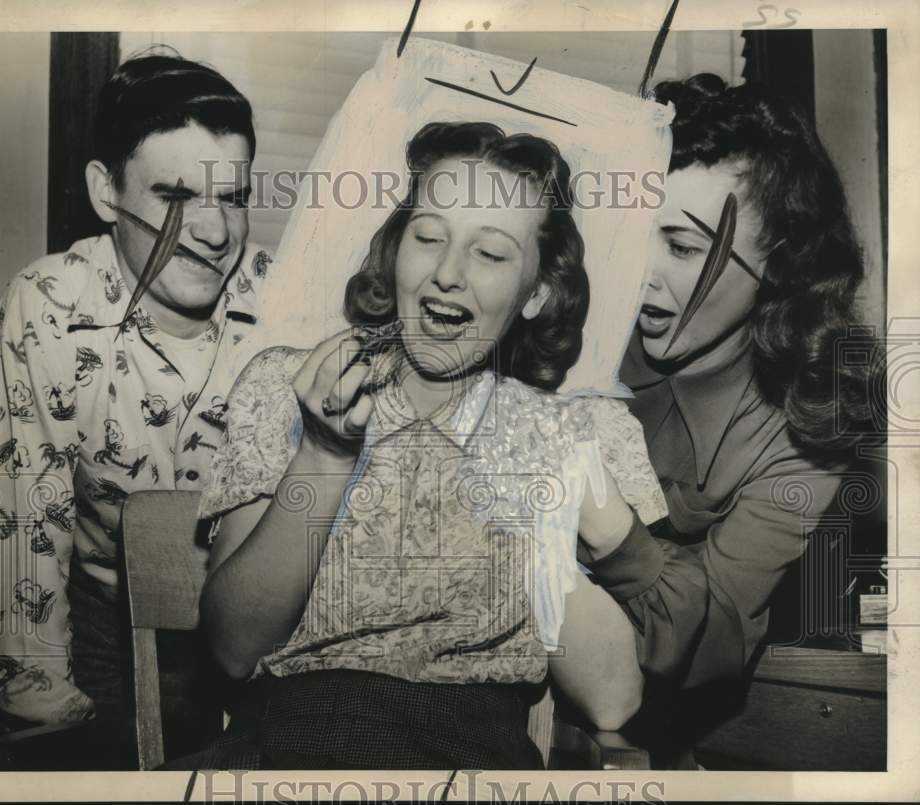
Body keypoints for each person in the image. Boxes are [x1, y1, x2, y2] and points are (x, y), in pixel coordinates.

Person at [184, 121, 669, 770]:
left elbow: (613, 702)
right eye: (429, 236)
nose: (447, 273)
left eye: (491, 254)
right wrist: (324, 455)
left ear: (538, 292)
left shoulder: (579, 432)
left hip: (479, 766)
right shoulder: (291, 387)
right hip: (291, 755)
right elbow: (232, 649)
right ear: (396, 247)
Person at [0, 52, 269, 762]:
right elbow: (20, 519)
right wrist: (46, 721)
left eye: (232, 198)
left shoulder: (289, 311)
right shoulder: (45, 307)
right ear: (107, 193)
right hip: (100, 630)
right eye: (174, 196)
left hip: (260, 636)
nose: (215, 231)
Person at [577, 74, 881, 696]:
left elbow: (709, 642)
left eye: (683, 248)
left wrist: (608, 529)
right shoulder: (567, 329)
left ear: (779, 267)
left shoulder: (808, 424)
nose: (641, 277)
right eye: (635, 235)